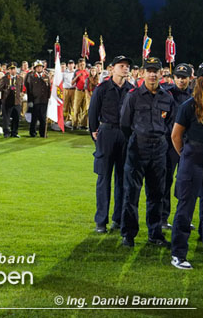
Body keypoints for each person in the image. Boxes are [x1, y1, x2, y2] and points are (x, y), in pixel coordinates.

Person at [120, 57, 175, 247]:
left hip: (159, 150)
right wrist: (136, 141)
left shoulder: (167, 97)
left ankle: (155, 234)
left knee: (157, 194)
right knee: (131, 194)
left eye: (156, 71)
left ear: (161, 74)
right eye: (149, 70)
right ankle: (128, 235)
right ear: (142, 73)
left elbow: (170, 124)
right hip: (137, 149)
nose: (152, 74)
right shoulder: (133, 96)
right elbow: (125, 124)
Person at [170, 63, 203, 269]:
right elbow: (175, 136)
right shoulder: (189, 105)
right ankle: (178, 254)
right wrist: (186, 156)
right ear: (200, 80)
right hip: (193, 157)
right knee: (186, 207)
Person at [88, 56, 134, 233]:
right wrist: (94, 132)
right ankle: (101, 221)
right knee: (104, 178)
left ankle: (119, 219)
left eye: (127, 66)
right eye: (121, 66)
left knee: (123, 179)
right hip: (106, 133)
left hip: (125, 134)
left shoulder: (131, 90)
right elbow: (93, 110)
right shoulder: (103, 88)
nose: (125, 69)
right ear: (112, 68)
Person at [161, 63, 193, 229]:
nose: (181, 80)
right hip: (169, 143)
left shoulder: (195, 95)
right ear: (173, 78)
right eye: (178, 77)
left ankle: (184, 219)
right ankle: (163, 218)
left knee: (187, 183)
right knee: (165, 181)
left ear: (190, 78)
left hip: (190, 144)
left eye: (184, 77)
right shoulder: (167, 94)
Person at [24, 60, 50, 138]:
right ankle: (32, 132)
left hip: (44, 100)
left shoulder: (46, 76)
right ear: (35, 68)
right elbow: (29, 89)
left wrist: (49, 98)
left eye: (40, 67)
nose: (39, 68)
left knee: (43, 117)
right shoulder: (31, 77)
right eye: (37, 67)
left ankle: (43, 133)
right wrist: (30, 100)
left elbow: (48, 88)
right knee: (34, 117)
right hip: (35, 100)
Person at [0, 62, 23, 138]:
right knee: (6, 118)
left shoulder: (20, 78)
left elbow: (21, 89)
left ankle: (14, 132)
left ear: (16, 69)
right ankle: (6, 133)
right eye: (11, 69)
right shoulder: (5, 78)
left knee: (16, 118)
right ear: (8, 70)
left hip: (17, 101)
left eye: (14, 69)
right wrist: (8, 89)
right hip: (7, 101)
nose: (13, 70)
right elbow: (0, 88)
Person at [71, 58, 89, 130]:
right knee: (76, 108)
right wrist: (78, 76)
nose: (82, 66)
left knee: (85, 109)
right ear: (78, 65)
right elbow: (72, 82)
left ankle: (83, 124)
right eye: (81, 64)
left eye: (83, 64)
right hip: (78, 91)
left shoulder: (87, 72)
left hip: (86, 91)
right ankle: (74, 124)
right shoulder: (76, 72)